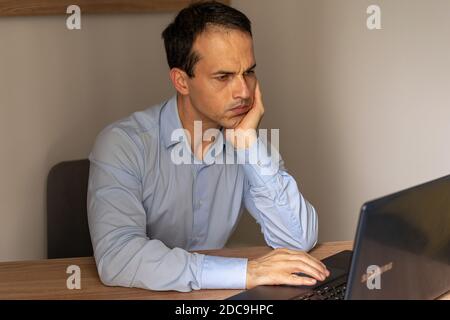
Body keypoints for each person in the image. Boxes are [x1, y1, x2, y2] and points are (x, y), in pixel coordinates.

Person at [87, 1, 329, 293]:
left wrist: (249, 145)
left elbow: (297, 241)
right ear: (181, 81)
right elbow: (118, 258)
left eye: (248, 72)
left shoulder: (242, 137)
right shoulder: (123, 144)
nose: (243, 92)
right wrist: (247, 271)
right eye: (223, 77)